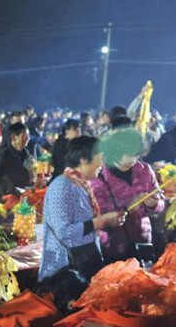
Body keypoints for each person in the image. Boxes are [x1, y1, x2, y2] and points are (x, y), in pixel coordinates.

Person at [38, 136, 124, 302]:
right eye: (100, 157)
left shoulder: (81, 185)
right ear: (84, 159)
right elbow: (63, 232)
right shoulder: (61, 185)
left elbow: (85, 226)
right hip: (63, 273)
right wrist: (100, 221)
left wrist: (108, 222)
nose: (102, 163)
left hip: (83, 267)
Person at [91, 128, 164, 262]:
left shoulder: (144, 170)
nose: (134, 160)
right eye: (129, 154)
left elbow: (160, 202)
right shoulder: (98, 177)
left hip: (143, 240)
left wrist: (155, 204)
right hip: (114, 246)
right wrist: (128, 208)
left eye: (137, 155)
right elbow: (99, 217)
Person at [0, 122, 31, 205]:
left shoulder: (27, 155)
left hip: (23, 199)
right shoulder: (2, 157)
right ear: (13, 137)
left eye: (28, 136)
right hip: (5, 200)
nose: (28, 139)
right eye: (24, 136)